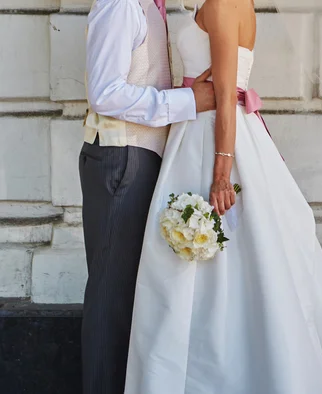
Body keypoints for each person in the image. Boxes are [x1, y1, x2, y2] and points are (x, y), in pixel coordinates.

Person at [124, 0, 322, 393]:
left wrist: (221, 173)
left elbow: (227, 94)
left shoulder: (224, 2)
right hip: (195, 136)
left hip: (214, 140)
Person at [79, 0, 215, 393]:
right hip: (120, 158)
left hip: (138, 158)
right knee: (112, 297)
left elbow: (143, 79)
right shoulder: (120, 4)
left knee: (128, 296)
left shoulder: (152, 6)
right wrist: (189, 102)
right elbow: (104, 93)